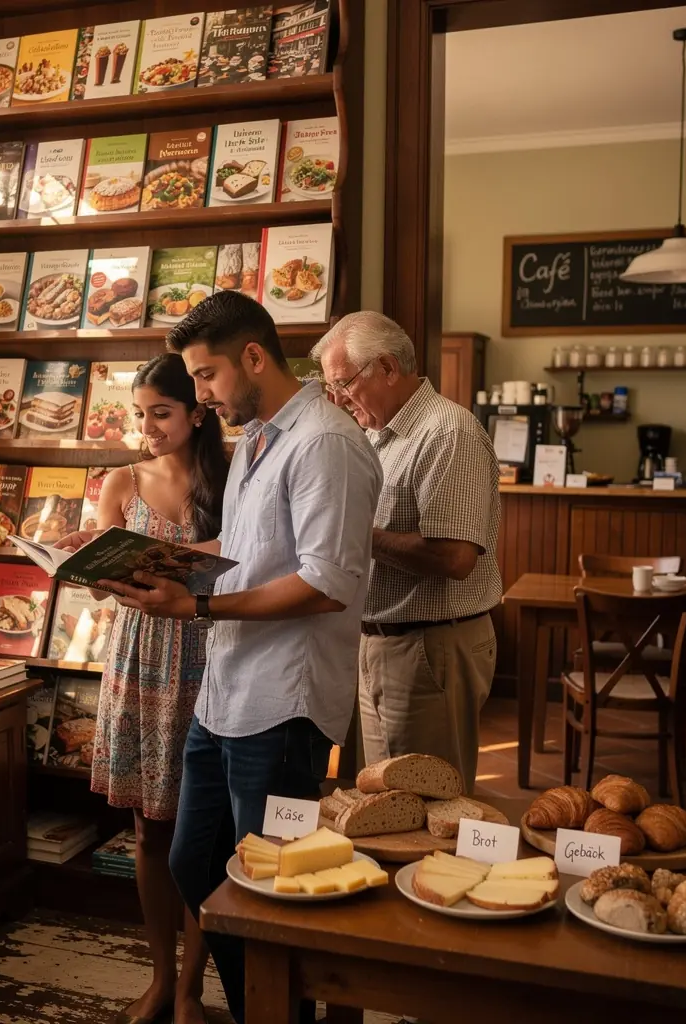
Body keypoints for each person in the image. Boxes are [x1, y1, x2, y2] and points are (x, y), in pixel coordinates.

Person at [65, 291, 381, 1024]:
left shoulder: (324, 442)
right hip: (226, 690)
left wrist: (195, 606)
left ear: (253, 357)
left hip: (284, 703)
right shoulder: (262, 436)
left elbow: (326, 585)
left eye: (205, 377)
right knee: (195, 864)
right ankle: (258, 1008)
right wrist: (151, 560)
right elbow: (240, 553)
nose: (199, 395)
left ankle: (275, 1012)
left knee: (270, 883)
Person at [87, 353, 228, 1024]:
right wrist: (90, 567)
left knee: (204, 837)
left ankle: (195, 988)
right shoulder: (120, 481)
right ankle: (161, 976)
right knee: (148, 830)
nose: (146, 426)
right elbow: (101, 582)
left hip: (211, 656)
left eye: (161, 413)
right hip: (139, 661)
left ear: (198, 412)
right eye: (139, 414)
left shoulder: (229, 477)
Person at [310, 311, 501, 791]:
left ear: (388, 368)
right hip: (385, 642)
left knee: (427, 803)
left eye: (343, 382)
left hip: (430, 644)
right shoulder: (376, 434)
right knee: (391, 798)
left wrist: (357, 531)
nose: (336, 397)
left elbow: (455, 559)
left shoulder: (446, 432)